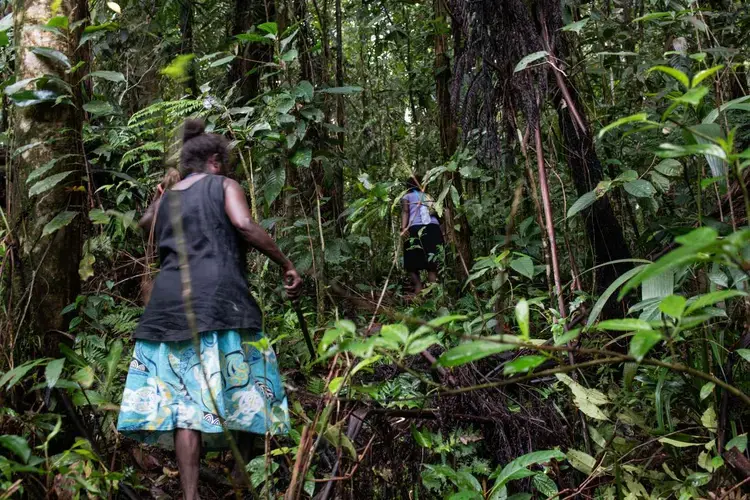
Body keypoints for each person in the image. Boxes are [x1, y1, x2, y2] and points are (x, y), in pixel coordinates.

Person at [117, 119, 302, 500]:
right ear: (215, 161)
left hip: (168, 308)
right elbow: (244, 224)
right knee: (249, 386)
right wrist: (286, 263)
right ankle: (241, 477)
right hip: (221, 301)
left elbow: (145, 226)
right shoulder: (225, 186)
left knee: (187, 407)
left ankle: (190, 494)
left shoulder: (166, 199)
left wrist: (160, 196)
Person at [400, 176, 445, 294]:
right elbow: (438, 213)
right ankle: (434, 294)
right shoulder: (429, 197)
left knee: (411, 262)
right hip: (433, 229)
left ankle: (418, 288)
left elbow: (405, 211)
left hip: (415, 228)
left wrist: (403, 228)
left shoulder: (407, 196)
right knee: (433, 264)